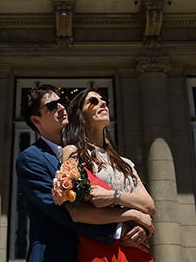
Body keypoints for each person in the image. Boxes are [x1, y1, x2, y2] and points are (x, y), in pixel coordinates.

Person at [16, 85, 153, 262]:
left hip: (101, 251)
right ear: (36, 121)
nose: (60, 107)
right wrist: (125, 224)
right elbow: (65, 212)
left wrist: (137, 227)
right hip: (55, 254)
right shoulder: (31, 159)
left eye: (61, 102)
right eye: (51, 106)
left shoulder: (82, 152)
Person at [60, 88, 155, 262]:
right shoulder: (72, 153)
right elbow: (78, 213)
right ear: (80, 115)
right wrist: (133, 215)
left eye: (104, 101)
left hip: (135, 251)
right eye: (93, 101)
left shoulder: (125, 163)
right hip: (98, 251)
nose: (103, 103)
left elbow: (149, 205)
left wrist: (115, 197)